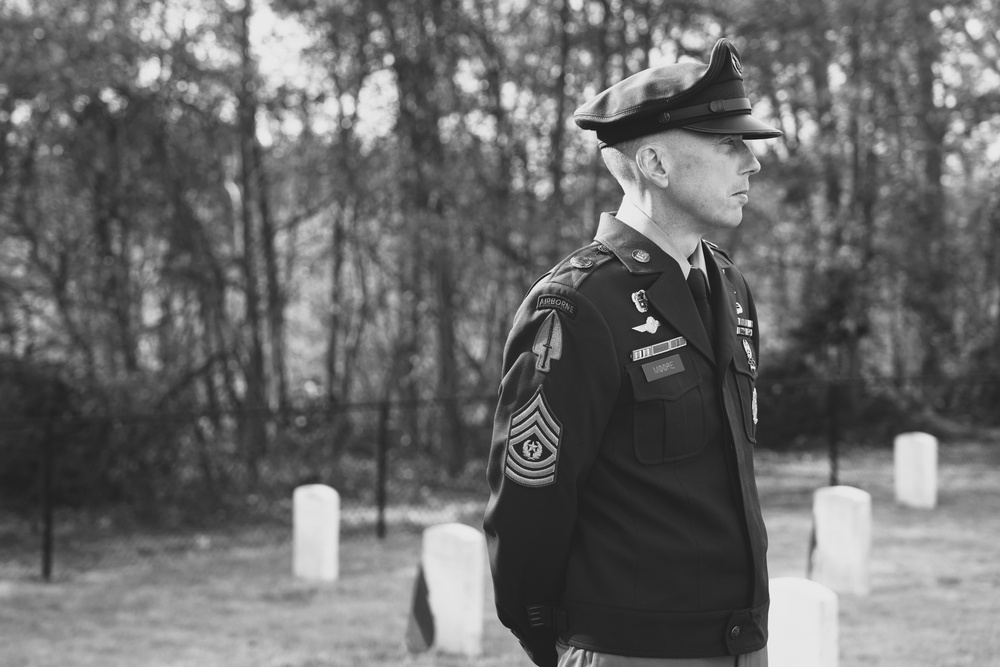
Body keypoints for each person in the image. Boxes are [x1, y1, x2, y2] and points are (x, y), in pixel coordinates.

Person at [483, 38, 782, 667]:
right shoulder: (576, 305)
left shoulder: (727, 286)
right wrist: (561, 644)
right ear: (654, 163)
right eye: (728, 144)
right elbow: (528, 509)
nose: (751, 163)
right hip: (630, 653)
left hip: (739, 647)